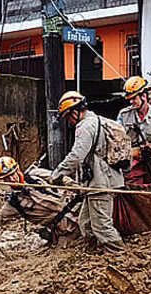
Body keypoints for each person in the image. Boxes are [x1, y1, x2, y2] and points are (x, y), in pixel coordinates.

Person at [51, 91, 125, 253]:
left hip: (101, 182)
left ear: (75, 111)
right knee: (85, 223)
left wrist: (57, 174)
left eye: (67, 116)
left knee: (102, 227)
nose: (68, 121)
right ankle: (95, 254)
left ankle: (119, 255)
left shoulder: (85, 126)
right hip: (97, 182)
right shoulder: (97, 120)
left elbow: (76, 156)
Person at [0, 156, 81, 246]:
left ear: (17, 170)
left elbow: (59, 178)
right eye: (7, 178)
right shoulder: (13, 203)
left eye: (12, 174)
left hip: (78, 210)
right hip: (66, 230)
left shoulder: (35, 174)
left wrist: (77, 188)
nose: (12, 179)